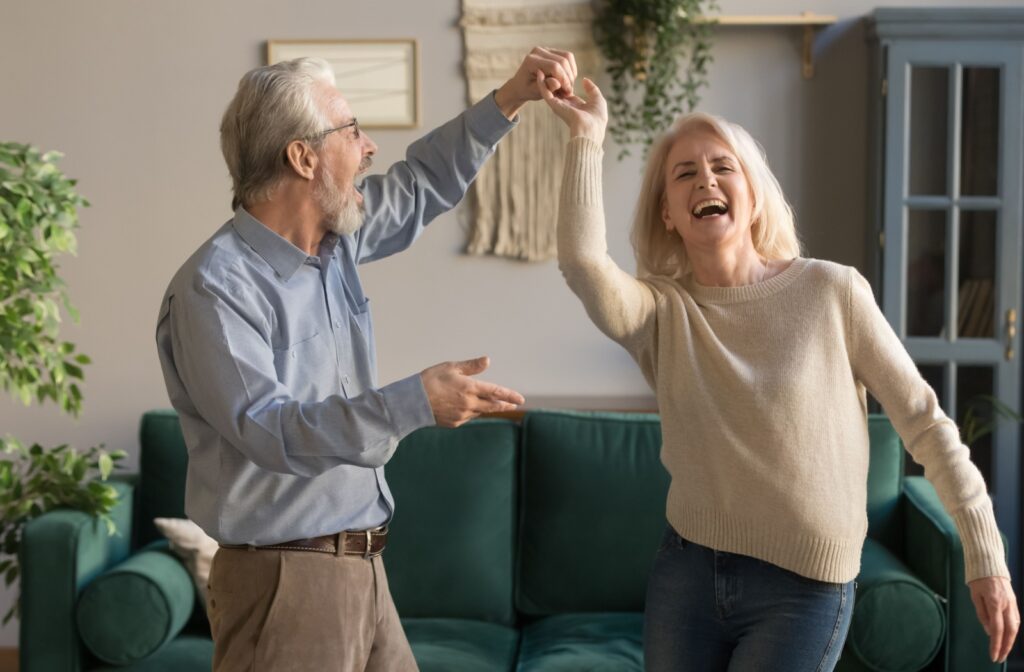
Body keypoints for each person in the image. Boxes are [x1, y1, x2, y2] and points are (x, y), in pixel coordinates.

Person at [539, 74, 1020, 670]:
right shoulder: (660, 312)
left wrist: (986, 553)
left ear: (754, 195)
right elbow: (584, 263)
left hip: (805, 588)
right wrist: (587, 138)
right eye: (685, 173)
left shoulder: (831, 292)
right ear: (668, 213)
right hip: (688, 573)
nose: (706, 180)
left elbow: (923, 421)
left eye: (722, 166)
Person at [155, 47, 579, 672]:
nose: (369, 147)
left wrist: (509, 99)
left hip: (362, 568)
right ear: (303, 157)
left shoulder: (336, 246)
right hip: (285, 583)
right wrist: (413, 403)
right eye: (351, 131)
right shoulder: (215, 288)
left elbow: (422, 183)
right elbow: (270, 430)